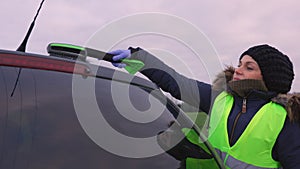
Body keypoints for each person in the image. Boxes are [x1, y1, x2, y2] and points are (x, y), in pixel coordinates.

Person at [109, 44, 300, 169]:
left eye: (249, 67)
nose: (238, 71)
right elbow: (176, 83)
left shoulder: (285, 118)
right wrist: (140, 58)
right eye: (240, 64)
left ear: (269, 79)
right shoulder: (218, 97)